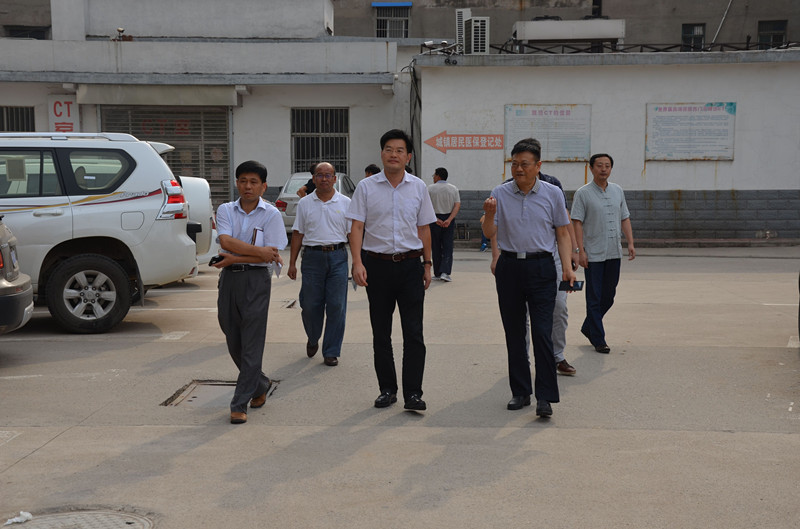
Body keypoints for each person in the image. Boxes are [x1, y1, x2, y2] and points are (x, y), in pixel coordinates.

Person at [481, 140, 576, 418]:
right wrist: (489, 215)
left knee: (542, 333)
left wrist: (568, 268)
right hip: (509, 267)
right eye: (514, 164)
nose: (518, 169)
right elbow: (489, 232)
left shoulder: (552, 193)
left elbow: (562, 233)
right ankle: (521, 391)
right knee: (514, 332)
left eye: (524, 164)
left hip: (542, 267)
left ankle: (545, 397)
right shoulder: (499, 193)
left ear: (538, 166)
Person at [347, 129, 436, 411]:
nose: (393, 154)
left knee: (414, 332)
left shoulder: (418, 187)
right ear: (382, 153)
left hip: (410, 266)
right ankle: (387, 389)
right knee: (381, 332)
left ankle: (413, 393)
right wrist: (357, 262)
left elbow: (424, 228)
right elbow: (356, 227)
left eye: (399, 150)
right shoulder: (366, 187)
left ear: (408, 156)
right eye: (388, 149)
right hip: (377, 266)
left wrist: (427, 264)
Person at [212, 160, 287, 424]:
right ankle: (260, 384)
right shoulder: (225, 209)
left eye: (254, 182)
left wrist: (237, 256)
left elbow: (272, 256)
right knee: (232, 336)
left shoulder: (271, 214)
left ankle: (239, 403)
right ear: (237, 183)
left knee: (252, 341)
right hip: (229, 279)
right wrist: (259, 252)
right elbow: (225, 241)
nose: (248, 186)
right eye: (243, 181)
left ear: (263, 186)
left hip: (256, 281)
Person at [287, 162, 351, 367]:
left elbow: (353, 234)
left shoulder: (346, 203)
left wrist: (358, 262)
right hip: (312, 259)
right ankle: (313, 337)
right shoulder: (305, 203)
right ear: (313, 179)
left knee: (337, 305)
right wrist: (292, 263)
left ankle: (331, 350)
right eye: (320, 175)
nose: (324, 179)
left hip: (338, 257)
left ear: (334, 179)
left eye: (328, 175)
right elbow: (298, 233)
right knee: (309, 305)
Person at [571, 153, 635, 354]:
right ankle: (599, 339)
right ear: (591, 168)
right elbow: (576, 222)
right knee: (594, 296)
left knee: (608, 296)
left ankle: (588, 326)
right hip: (593, 254)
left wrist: (630, 243)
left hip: (614, 251)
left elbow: (624, 217)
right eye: (599, 165)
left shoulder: (617, 190)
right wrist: (579, 251)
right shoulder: (583, 193)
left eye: (607, 165)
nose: (604, 169)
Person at [427, 167, 461, 282]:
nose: (433, 178)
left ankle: (437, 272)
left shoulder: (430, 189)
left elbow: (426, 206)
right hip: (448, 218)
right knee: (447, 246)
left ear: (438, 176)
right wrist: (449, 219)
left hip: (434, 219)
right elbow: (457, 205)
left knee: (435, 246)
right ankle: (445, 272)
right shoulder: (453, 189)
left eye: (434, 175)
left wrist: (435, 219)